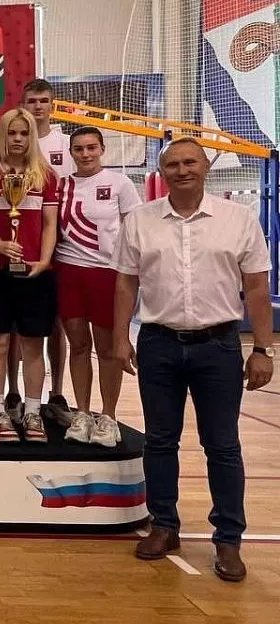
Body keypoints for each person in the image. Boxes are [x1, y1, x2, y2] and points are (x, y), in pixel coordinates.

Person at [114, 137, 273, 582]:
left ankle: (229, 539)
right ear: (161, 172)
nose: (182, 170)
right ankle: (164, 526)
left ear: (206, 167)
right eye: (173, 165)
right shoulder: (140, 221)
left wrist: (263, 348)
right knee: (160, 441)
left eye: (190, 162)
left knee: (222, 445)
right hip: (158, 343)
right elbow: (125, 283)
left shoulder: (239, 220)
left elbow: (256, 287)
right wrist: (120, 338)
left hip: (219, 347)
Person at [0, 108, 60, 444]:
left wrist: (44, 260)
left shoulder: (45, 175)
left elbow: (50, 223)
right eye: (12, 133)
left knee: (33, 345)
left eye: (24, 133)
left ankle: (33, 412)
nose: (19, 139)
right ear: (2, 135)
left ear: (32, 136)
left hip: (35, 272)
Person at [57, 127, 141, 446]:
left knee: (107, 349)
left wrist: (134, 272)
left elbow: (135, 229)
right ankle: (81, 413)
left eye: (91, 147)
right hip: (68, 272)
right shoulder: (61, 186)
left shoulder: (120, 183)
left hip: (108, 274)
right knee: (78, 346)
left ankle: (108, 416)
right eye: (78, 149)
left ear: (102, 149)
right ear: (71, 153)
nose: (85, 154)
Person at [19, 78, 72, 423]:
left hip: (62, 241)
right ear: (22, 105)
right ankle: (14, 392)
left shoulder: (65, 144)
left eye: (43, 101)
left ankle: (57, 392)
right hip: (22, 240)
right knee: (16, 326)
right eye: (32, 101)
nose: (38, 106)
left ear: (52, 105)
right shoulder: (15, 140)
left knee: (57, 322)